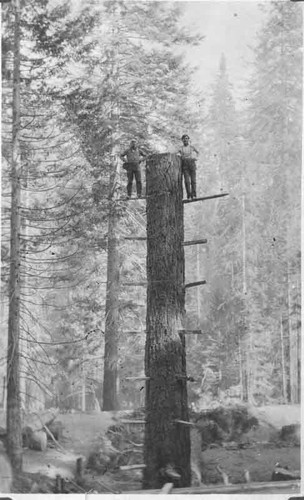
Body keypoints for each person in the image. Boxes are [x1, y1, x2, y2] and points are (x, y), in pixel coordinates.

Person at [178, 134, 199, 199]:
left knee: (193, 181)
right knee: (187, 181)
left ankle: (194, 195)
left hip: (192, 164)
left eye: (186, 138)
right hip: (185, 165)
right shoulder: (180, 148)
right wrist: (179, 156)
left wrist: (195, 158)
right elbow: (176, 153)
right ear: (182, 140)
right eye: (184, 139)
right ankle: (189, 195)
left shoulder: (191, 147)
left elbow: (198, 152)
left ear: (188, 139)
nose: (185, 140)